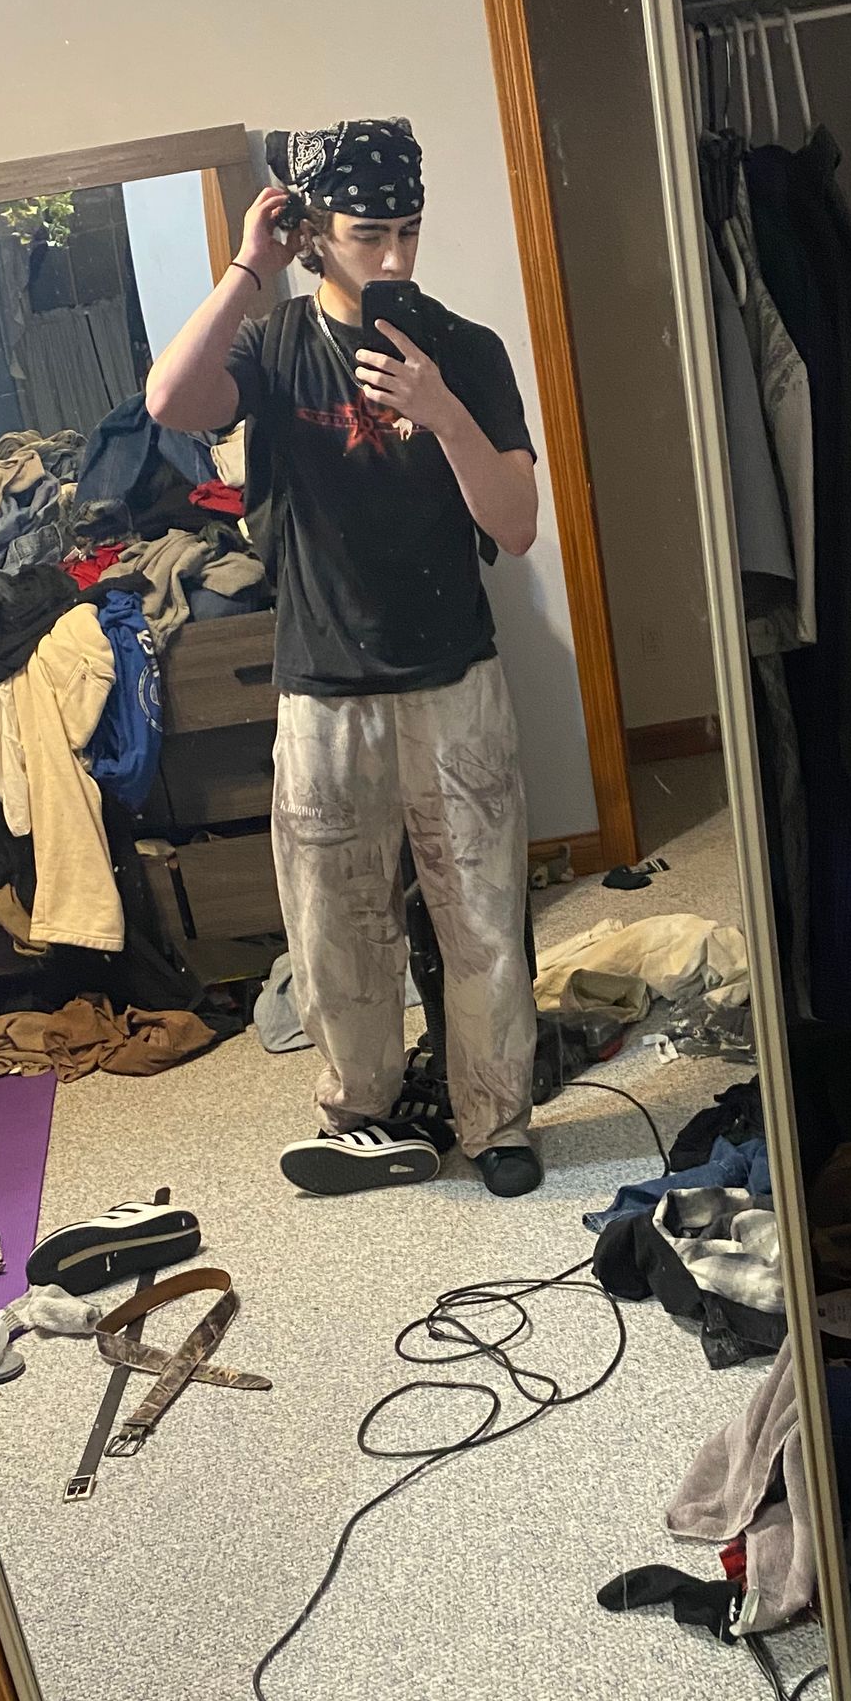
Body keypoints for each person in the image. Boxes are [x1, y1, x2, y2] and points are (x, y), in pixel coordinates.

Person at [145, 118, 544, 1200]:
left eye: (410, 229)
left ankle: (497, 1120)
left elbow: (515, 526)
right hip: (324, 687)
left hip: (454, 677)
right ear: (316, 231)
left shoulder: (466, 350)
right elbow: (169, 401)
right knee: (336, 922)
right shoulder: (273, 348)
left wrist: (445, 415)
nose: (396, 258)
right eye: (370, 234)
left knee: (482, 913)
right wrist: (248, 266)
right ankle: (360, 1112)